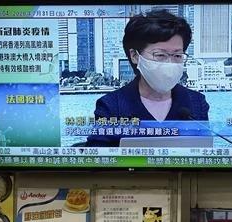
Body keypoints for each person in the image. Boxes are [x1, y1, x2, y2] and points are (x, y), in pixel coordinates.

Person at [86, 10, 208, 147]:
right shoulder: (111, 106)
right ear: (135, 56)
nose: (170, 63)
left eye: (177, 56)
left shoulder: (196, 103)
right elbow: (98, 160)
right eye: (160, 55)